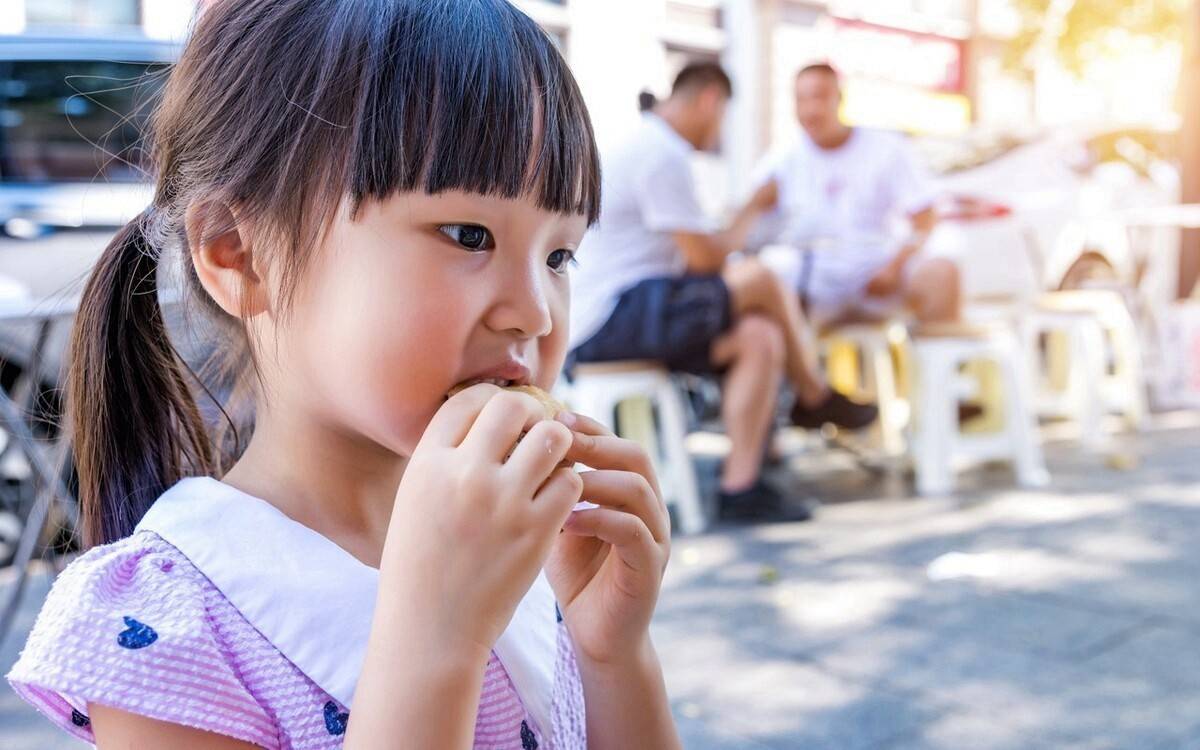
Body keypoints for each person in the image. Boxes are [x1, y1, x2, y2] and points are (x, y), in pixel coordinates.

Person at [6, 1, 681, 748]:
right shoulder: (172, 629)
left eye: (559, 256)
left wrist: (611, 652)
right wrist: (436, 640)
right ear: (237, 252)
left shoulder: (519, 545)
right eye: (469, 235)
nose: (536, 313)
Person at [570, 62, 877, 524]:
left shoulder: (652, 145)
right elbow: (704, 260)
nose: (719, 130)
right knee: (761, 279)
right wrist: (752, 210)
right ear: (711, 99)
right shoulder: (660, 151)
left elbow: (698, 256)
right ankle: (813, 394)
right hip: (609, 317)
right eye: (723, 115)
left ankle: (741, 488)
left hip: (640, 311)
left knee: (759, 336)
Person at [754, 63, 962, 328]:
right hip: (814, 279)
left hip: (878, 269)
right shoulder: (781, 160)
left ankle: (938, 364)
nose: (810, 109)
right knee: (759, 278)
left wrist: (894, 267)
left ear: (839, 99)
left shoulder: (886, 148)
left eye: (818, 97)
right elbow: (749, 222)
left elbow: (925, 217)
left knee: (942, 272)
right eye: (801, 99)